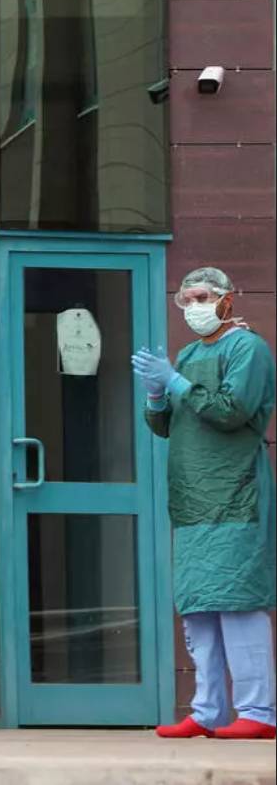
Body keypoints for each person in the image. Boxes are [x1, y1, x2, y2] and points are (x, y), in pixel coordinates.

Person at [134, 267, 276, 741]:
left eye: (203, 296)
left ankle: (258, 711)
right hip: (192, 501)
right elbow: (166, 426)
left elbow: (231, 411)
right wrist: (156, 395)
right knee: (199, 607)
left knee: (237, 602)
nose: (194, 306)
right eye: (187, 298)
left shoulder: (248, 349)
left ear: (227, 299)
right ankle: (207, 710)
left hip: (235, 496)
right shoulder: (191, 354)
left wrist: (174, 382)